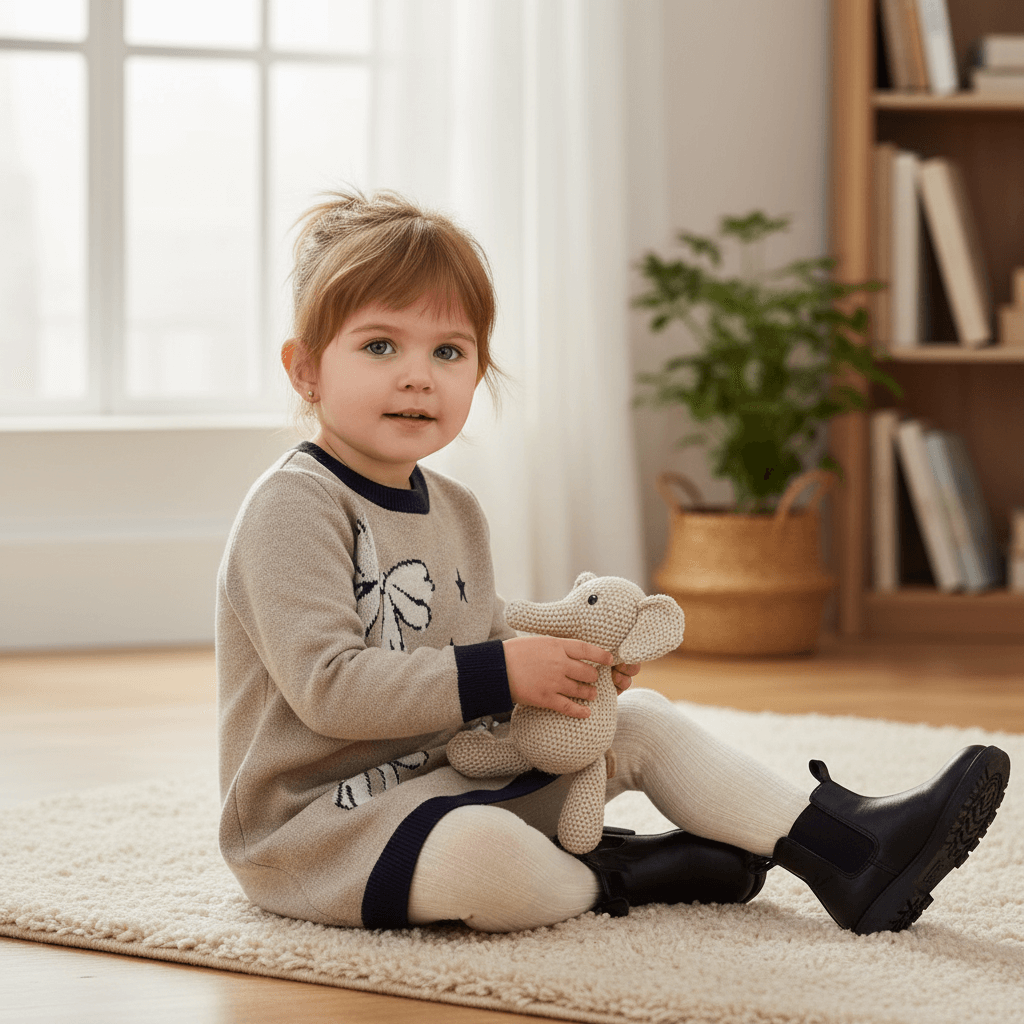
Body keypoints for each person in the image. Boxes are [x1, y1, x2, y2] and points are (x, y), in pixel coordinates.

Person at [217, 186, 1010, 936]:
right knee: (486, 865)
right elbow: (329, 688)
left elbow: (474, 628)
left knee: (644, 724)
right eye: (380, 345)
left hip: (444, 773)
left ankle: (852, 851)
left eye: (450, 351)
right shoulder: (295, 506)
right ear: (307, 368)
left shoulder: (454, 507)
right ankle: (626, 873)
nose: (418, 375)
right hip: (324, 827)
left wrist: (567, 668)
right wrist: (503, 670)